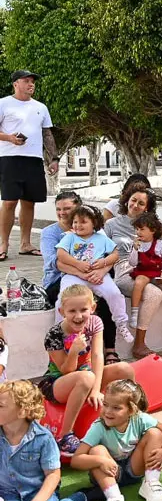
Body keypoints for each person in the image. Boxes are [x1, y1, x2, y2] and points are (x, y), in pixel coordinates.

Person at [41, 285, 136, 454]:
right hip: (57, 383)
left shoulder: (95, 322)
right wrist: (74, 351)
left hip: (88, 375)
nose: (78, 316)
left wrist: (95, 390)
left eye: (83, 309)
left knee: (125, 369)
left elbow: (98, 356)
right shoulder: (54, 335)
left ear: (92, 308)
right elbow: (65, 371)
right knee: (85, 377)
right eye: (72, 311)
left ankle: (131, 417)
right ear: (62, 311)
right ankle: (65, 436)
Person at [70, 379, 162, 501]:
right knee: (97, 450)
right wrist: (101, 460)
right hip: (108, 474)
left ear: (131, 410)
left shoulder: (139, 419)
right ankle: (114, 499)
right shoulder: (98, 427)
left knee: (155, 433)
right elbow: (76, 459)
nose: (108, 411)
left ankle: (150, 483)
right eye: (105, 405)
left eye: (116, 408)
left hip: (133, 470)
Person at [44, 191, 126, 363]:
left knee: (101, 299)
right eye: (58, 209)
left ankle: (109, 349)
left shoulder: (96, 232)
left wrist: (101, 271)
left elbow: (111, 256)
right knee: (79, 301)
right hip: (61, 279)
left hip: (92, 274)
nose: (62, 213)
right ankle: (63, 340)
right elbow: (57, 263)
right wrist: (82, 272)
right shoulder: (51, 233)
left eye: (67, 208)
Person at [0, 380, 87, 501]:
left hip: (37, 490)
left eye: (1, 405)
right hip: (7, 493)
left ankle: (79, 498)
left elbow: (53, 474)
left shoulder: (43, 438)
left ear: (22, 412)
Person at [0, 70, 60, 260]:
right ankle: (3, 244)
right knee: (9, 201)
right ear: (15, 84)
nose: (31, 84)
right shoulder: (3, 103)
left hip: (33, 159)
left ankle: (26, 244)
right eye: (26, 81)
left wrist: (54, 158)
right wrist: (9, 137)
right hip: (10, 158)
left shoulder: (41, 107)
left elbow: (47, 134)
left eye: (32, 81)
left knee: (29, 201)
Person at [56, 205, 134, 344]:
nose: (78, 225)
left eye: (83, 222)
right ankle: (60, 329)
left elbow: (115, 254)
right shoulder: (69, 238)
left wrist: (104, 262)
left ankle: (121, 323)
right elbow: (61, 255)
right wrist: (77, 264)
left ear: (95, 223)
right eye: (75, 222)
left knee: (114, 293)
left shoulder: (101, 238)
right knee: (64, 297)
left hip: (98, 276)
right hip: (74, 276)